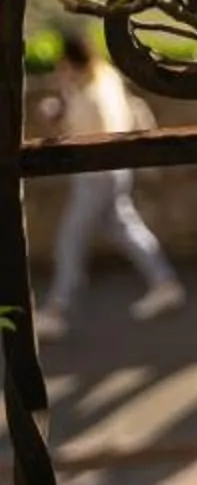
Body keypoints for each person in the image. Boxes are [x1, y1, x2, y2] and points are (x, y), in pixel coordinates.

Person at [38, 29, 185, 337]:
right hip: (111, 170)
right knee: (126, 229)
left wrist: (62, 104)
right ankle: (165, 283)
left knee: (70, 240)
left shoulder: (92, 90)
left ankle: (57, 309)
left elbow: (88, 127)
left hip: (96, 173)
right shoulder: (105, 77)